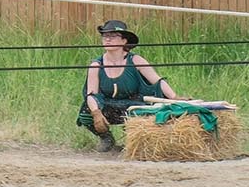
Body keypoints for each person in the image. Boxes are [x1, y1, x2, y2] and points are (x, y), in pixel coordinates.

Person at [77, 20, 186, 152]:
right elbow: (91, 94)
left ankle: (132, 141)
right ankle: (106, 139)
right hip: (108, 105)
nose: (108, 39)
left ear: (124, 41)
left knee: (144, 113)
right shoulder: (96, 65)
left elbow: (158, 81)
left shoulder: (135, 60)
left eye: (113, 36)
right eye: (105, 36)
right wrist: (96, 113)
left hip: (132, 104)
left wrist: (175, 97)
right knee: (85, 113)